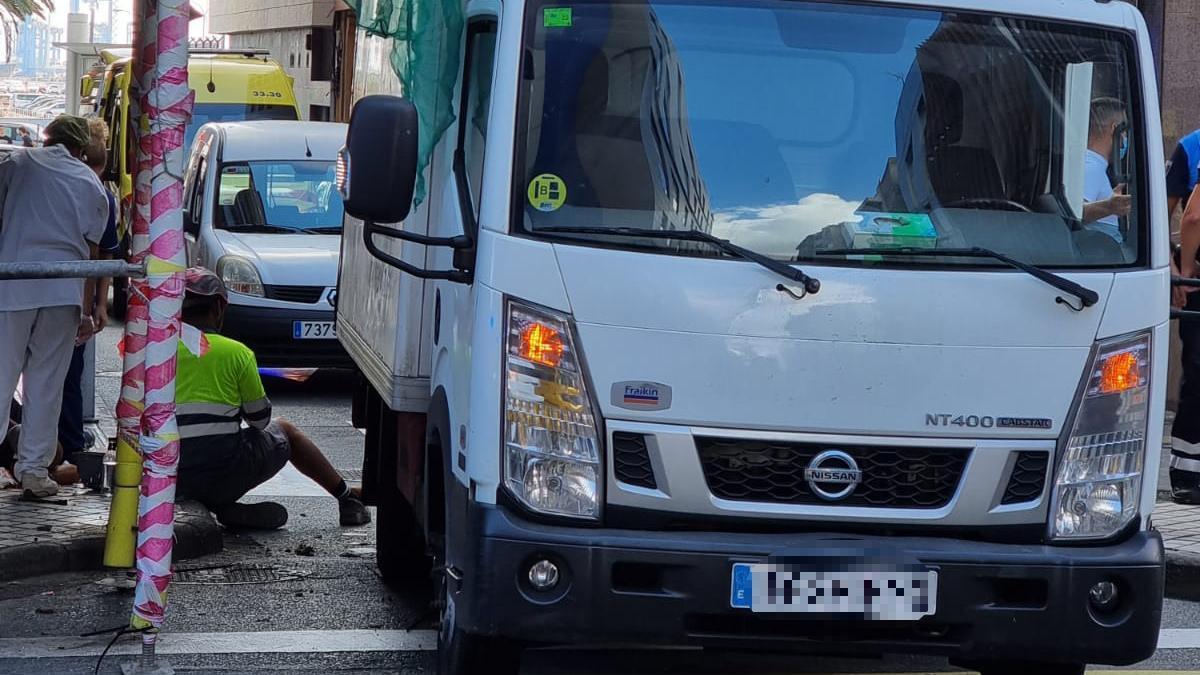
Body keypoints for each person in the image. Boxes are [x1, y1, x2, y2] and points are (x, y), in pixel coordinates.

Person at [176, 267, 370, 529]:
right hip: (224, 471)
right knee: (285, 430)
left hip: (170, 477)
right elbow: (259, 421)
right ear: (220, 306)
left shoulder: (156, 352)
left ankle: (209, 506)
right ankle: (347, 499)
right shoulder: (236, 353)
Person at [0, 115, 109, 498]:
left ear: (47, 140)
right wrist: (84, 310)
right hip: (62, 292)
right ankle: (33, 471)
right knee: (46, 384)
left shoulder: (18, 163)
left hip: (13, 285)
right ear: (81, 149)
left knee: (1, 376)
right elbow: (92, 253)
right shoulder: (90, 183)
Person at [57, 118, 121, 461]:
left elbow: (99, 255)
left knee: (54, 373)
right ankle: (68, 444)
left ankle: (58, 443)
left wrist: (95, 305)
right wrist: (96, 305)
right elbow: (101, 254)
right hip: (71, 300)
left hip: (54, 297)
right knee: (68, 373)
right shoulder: (101, 195)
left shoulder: (65, 188)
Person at [1081, 97, 1132, 243]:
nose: (1126, 138)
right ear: (1115, 129)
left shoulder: (1092, 164)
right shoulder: (1092, 166)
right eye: (1125, 131)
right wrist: (1110, 207)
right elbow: (1074, 213)